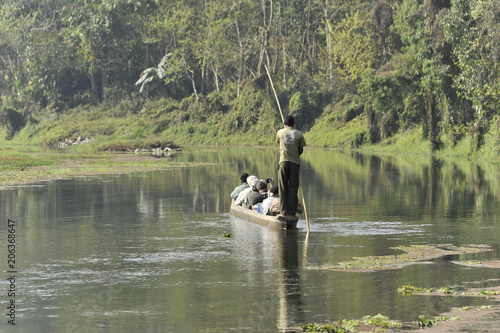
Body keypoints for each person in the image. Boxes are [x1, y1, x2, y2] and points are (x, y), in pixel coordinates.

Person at [276, 115, 306, 217]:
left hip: (283, 162)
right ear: (294, 124)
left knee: (283, 188)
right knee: (293, 188)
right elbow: (301, 150)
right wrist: (294, 155)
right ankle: (292, 213)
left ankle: (284, 213)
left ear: (284, 124)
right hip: (295, 163)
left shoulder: (280, 132)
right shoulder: (299, 134)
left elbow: (278, 142)